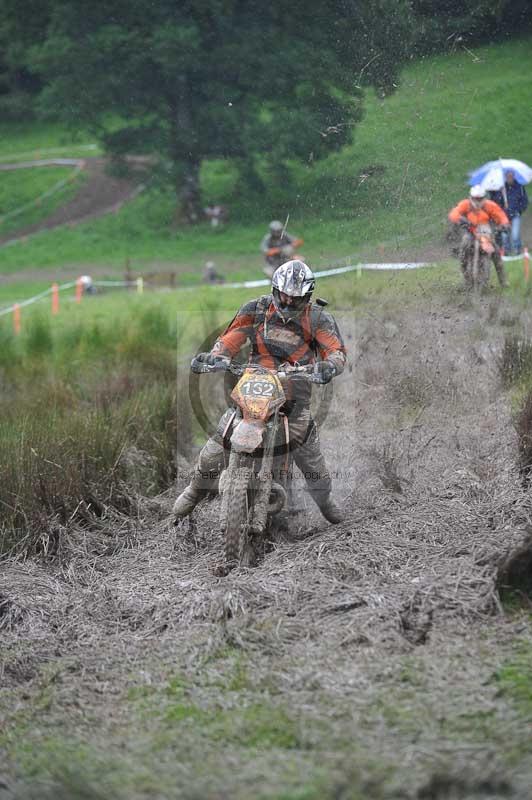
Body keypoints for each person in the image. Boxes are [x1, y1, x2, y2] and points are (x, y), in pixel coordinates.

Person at [173, 260, 346, 525]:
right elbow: (230, 339)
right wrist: (216, 356)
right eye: (284, 295)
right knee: (217, 445)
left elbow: (335, 351)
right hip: (253, 391)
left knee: (311, 462)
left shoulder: (318, 318)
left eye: (295, 298)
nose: (288, 302)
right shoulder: (256, 308)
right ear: (275, 290)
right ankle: (195, 490)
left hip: (294, 400)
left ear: (307, 296)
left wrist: (329, 365)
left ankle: (325, 501)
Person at [448, 185, 510, 288]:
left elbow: (501, 215)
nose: (477, 201)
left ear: (484, 197)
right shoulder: (465, 204)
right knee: (464, 245)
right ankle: (464, 272)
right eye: (475, 198)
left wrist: (505, 224)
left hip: (486, 233)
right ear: (470, 197)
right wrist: (460, 219)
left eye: (480, 198)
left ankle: (503, 281)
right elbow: (454, 213)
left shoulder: (490, 205)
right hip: (470, 232)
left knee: (496, 253)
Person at [489, 171, 528, 255]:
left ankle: (518, 251)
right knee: (504, 236)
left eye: (511, 176)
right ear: (505, 177)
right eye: (508, 176)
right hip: (503, 216)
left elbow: (524, 201)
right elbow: (494, 201)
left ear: (514, 176)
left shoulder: (519, 187)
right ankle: (506, 252)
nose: (509, 178)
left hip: (515, 214)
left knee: (515, 235)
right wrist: (498, 194)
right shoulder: (500, 187)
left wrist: (519, 210)